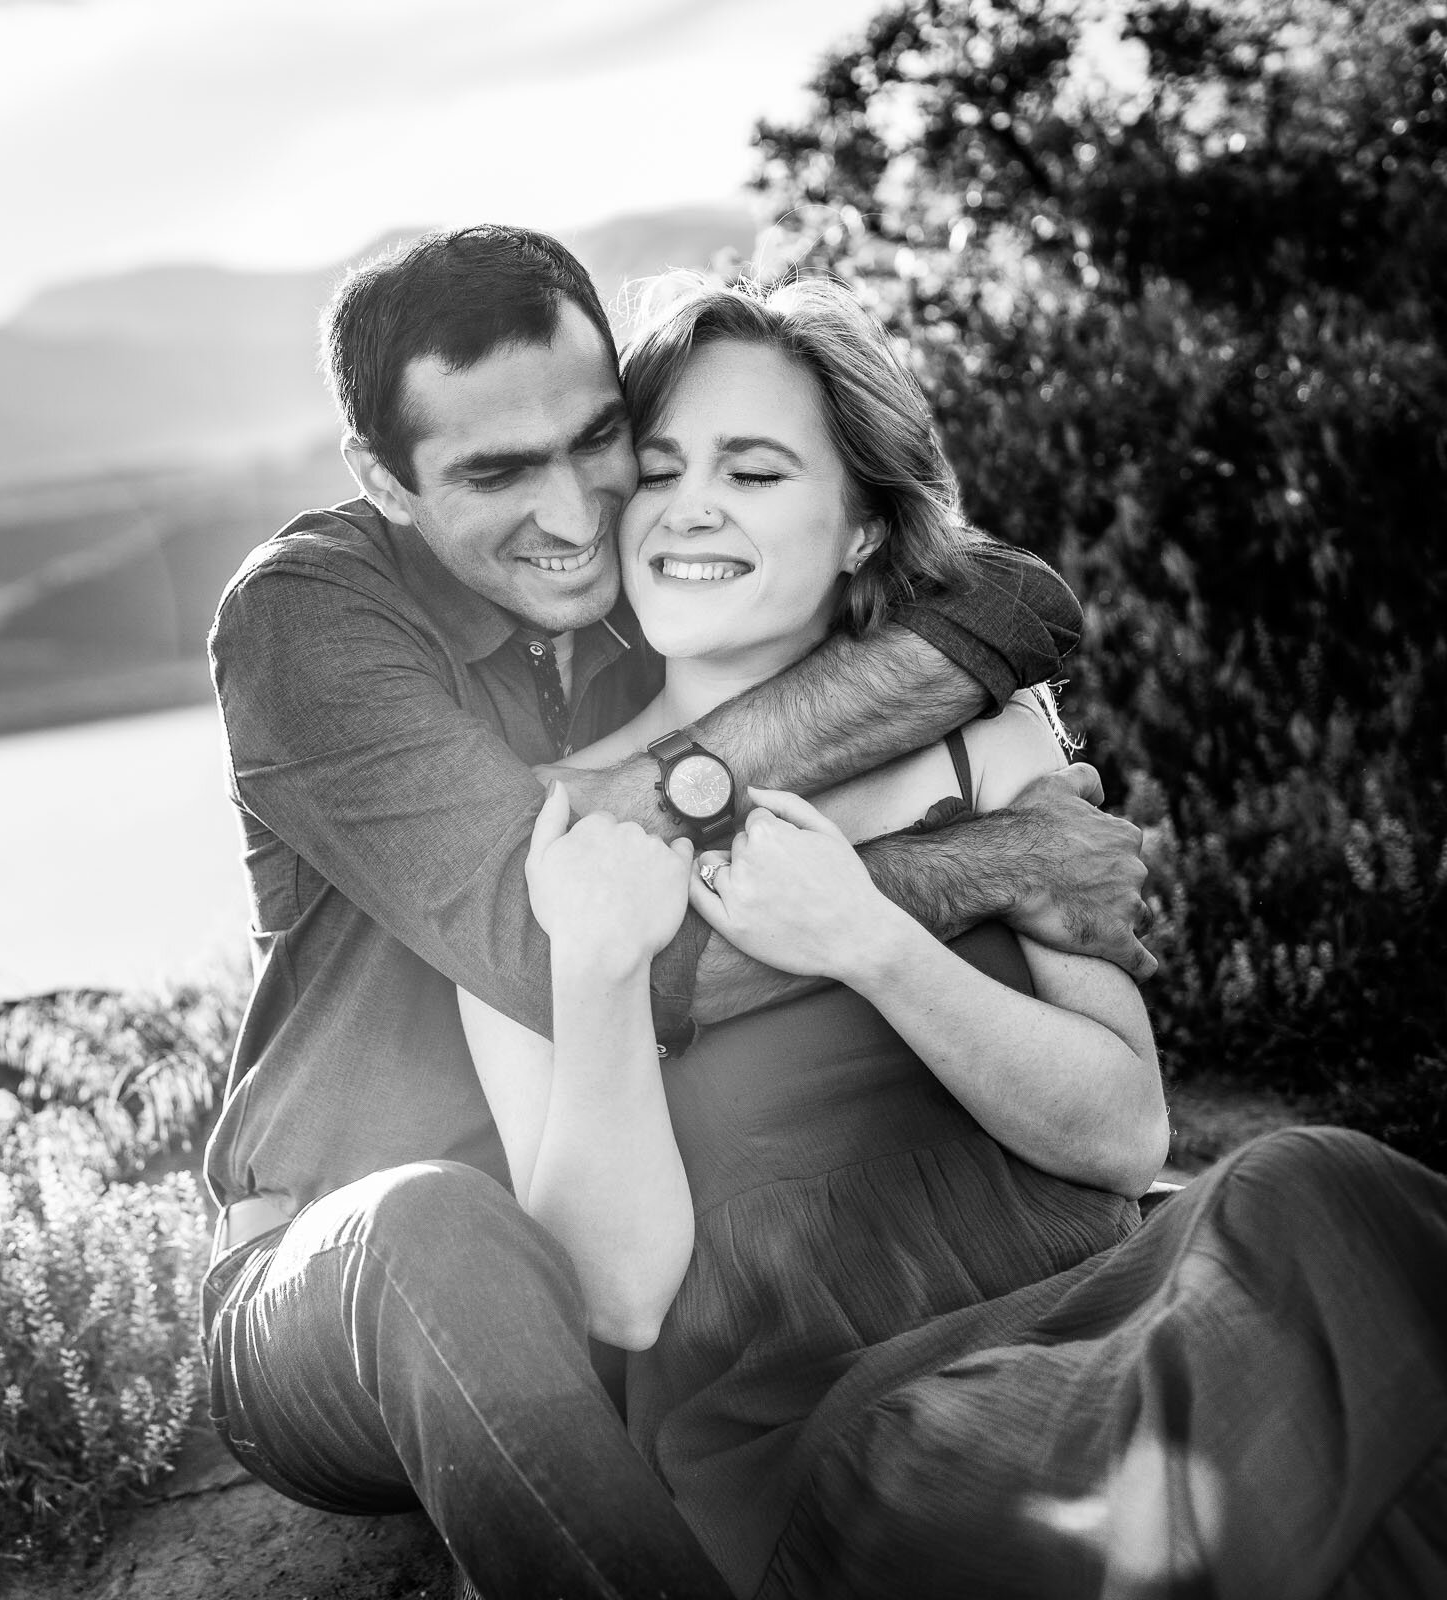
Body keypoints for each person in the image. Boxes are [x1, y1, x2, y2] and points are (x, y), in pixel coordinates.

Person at [198, 224, 1152, 1598]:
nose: (575, 512)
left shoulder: (645, 574)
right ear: (384, 482)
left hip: (617, 1240)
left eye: (599, 443)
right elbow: (565, 948)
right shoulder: (308, 620)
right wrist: (975, 867)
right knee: (439, 1235)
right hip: (346, 1278)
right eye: (494, 473)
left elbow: (1004, 599)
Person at [463, 271, 1447, 1598]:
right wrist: (592, 967)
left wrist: (871, 938)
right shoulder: (541, 839)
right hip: (834, 1422)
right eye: (657, 468)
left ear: (864, 528)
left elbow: (1121, 1133)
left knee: (1311, 1188)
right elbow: (620, 1299)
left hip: (1103, 1303)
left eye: (753, 472)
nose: (689, 507)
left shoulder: (989, 734)